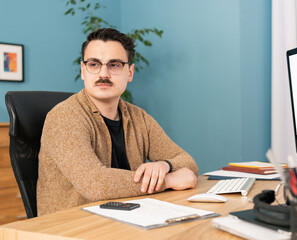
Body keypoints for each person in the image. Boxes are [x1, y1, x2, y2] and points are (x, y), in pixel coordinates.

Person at [37, 28, 198, 215]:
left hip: (127, 218)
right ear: (83, 70)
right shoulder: (64, 117)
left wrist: (165, 165)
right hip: (72, 228)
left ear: (130, 72)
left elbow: (188, 164)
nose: (103, 74)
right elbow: (95, 184)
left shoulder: (139, 118)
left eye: (114, 65)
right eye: (94, 64)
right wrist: (168, 180)